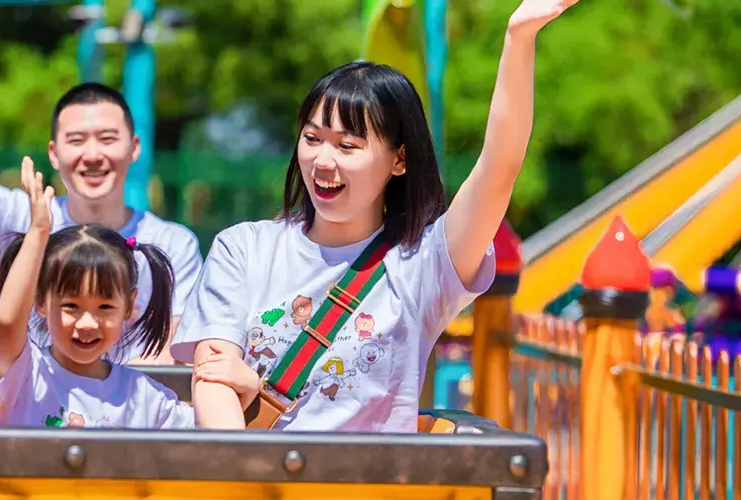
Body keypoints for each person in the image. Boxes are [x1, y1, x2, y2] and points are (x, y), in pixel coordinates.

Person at [171, 0, 580, 431]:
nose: (323, 160)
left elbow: (499, 169)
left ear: (399, 159)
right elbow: (213, 379)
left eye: (347, 146)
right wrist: (243, 467)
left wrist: (519, 36)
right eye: (312, 138)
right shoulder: (243, 249)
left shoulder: (422, 264)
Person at [0, 9, 203, 364]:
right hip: (32, 399)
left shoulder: (172, 245)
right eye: (77, 140)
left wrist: (102, 391)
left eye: (107, 138)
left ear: (134, 147)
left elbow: (173, 351)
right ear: (53, 153)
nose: (92, 155)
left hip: (132, 401)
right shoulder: (22, 218)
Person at [0, 159, 254, 428]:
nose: (87, 323)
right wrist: (38, 232)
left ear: (129, 307)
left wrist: (249, 390)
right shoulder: (25, 373)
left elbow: (209, 437)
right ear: (40, 302)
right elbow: (9, 321)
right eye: (71, 306)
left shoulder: (143, 397)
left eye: (105, 307)